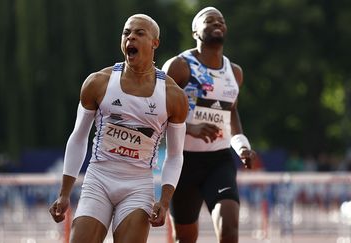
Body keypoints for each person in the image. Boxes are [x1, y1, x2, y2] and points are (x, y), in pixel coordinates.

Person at [49, 14, 188, 243]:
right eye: (126, 32)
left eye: (139, 33)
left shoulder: (173, 96)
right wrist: (64, 194)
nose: (131, 36)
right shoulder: (98, 82)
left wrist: (164, 201)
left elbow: (174, 155)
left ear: (155, 42)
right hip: (99, 178)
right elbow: (78, 138)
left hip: (138, 185)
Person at [161, 7, 256, 243]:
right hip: (182, 161)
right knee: (185, 238)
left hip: (219, 160)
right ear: (195, 31)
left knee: (229, 228)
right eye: (210, 20)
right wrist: (189, 128)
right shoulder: (179, 66)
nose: (217, 24)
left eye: (221, 21)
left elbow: (231, 113)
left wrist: (242, 146)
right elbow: (156, 113)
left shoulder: (234, 72)